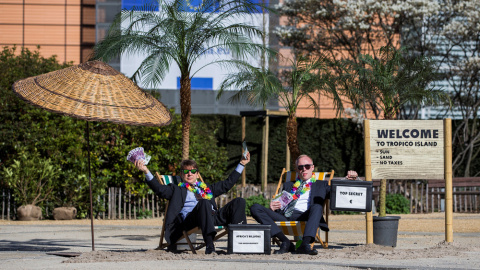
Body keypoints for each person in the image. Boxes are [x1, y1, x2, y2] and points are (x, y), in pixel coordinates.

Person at [135, 152, 250, 254]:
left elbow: (227, 184)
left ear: (197, 174)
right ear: (181, 174)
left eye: (193, 171)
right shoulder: (176, 190)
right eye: (186, 171)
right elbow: (159, 189)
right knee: (204, 203)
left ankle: (240, 242)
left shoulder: (207, 188)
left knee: (239, 201)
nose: (189, 174)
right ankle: (209, 244)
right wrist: (146, 171)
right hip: (191, 220)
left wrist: (242, 164)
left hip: (212, 217)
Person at [250, 154, 358, 255]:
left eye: (307, 166)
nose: (304, 169)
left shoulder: (322, 184)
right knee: (255, 208)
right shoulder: (288, 185)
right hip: (284, 215)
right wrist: (273, 206)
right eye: (300, 167)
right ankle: (285, 242)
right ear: (297, 169)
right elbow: (282, 202)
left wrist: (352, 180)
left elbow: (339, 193)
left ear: (312, 167)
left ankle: (305, 244)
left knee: (317, 206)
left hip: (306, 215)